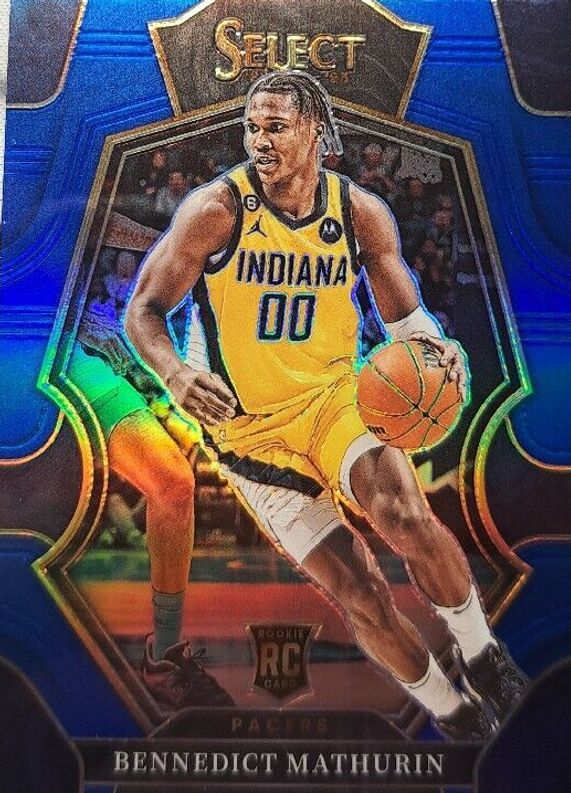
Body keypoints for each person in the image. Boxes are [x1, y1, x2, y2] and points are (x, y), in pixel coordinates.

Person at [125, 71, 527, 739]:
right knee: (361, 592)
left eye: (275, 127)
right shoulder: (216, 209)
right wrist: (174, 373)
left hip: (333, 401)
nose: (260, 141)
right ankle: (453, 713)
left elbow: (406, 321)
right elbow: (143, 310)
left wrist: (436, 347)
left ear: (314, 130)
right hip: (250, 435)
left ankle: (483, 655)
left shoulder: (358, 211)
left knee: (404, 514)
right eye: (252, 128)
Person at [68, 309, 234, 709]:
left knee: (173, 483)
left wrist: (157, 386)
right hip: (22, 341)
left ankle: (164, 656)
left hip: (79, 354)